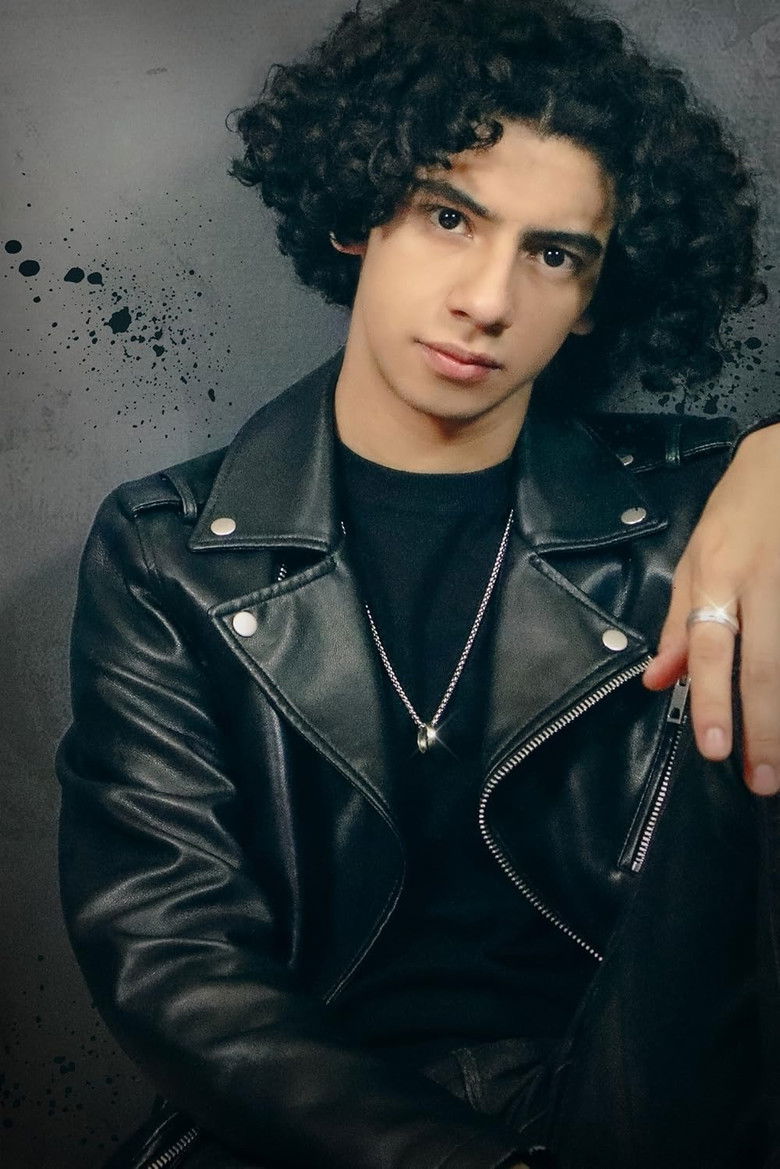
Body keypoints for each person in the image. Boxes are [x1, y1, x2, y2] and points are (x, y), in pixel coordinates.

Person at [57, 2, 779, 1167]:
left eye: (554, 254)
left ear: (596, 296)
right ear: (360, 212)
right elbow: (171, 956)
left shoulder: (704, 509)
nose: (488, 300)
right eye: (451, 217)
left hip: (639, 1098)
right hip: (309, 1127)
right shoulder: (169, 551)